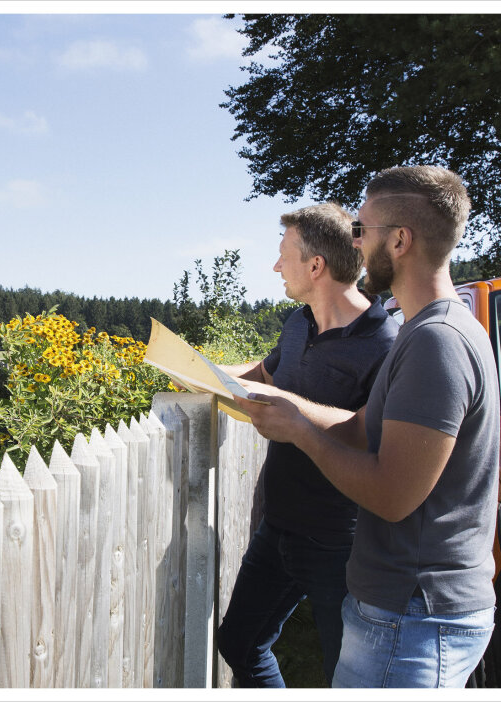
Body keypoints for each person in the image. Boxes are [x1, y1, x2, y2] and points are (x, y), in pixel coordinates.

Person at [232, 165, 499, 688]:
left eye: (362, 229)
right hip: (405, 612)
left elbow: (392, 494)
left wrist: (301, 432)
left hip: (413, 615)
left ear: (399, 240)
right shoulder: (433, 329)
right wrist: (277, 403)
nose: (353, 242)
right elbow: (362, 427)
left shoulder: (434, 342)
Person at [215, 202, 398, 687]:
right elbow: (262, 377)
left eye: (283, 255)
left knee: (346, 673)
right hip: (277, 526)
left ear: (315, 266)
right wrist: (197, 373)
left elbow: (372, 431)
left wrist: (290, 409)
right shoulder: (298, 324)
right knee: (238, 643)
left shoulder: (385, 343)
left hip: (339, 539)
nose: (276, 266)